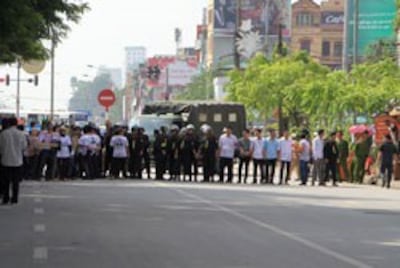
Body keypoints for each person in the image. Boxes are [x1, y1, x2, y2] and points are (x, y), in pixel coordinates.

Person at [0, 117, 27, 204]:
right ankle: (14, 198)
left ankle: (6, 198)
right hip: (17, 160)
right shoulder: (21, 134)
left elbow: (0, 147)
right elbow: (24, 147)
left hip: (6, 160)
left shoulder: (3, 134)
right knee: (16, 181)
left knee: (6, 181)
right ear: (16, 124)